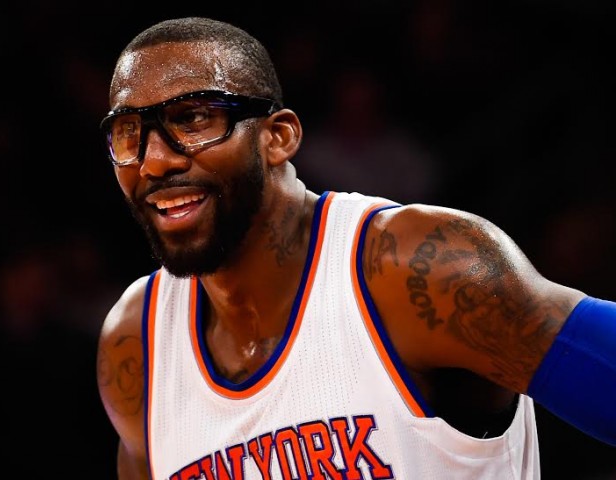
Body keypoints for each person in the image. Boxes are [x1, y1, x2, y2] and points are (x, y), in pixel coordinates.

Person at [95, 16, 616, 479]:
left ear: (278, 137)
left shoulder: (416, 270)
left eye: (192, 120)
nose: (154, 160)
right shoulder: (135, 343)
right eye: (129, 133)